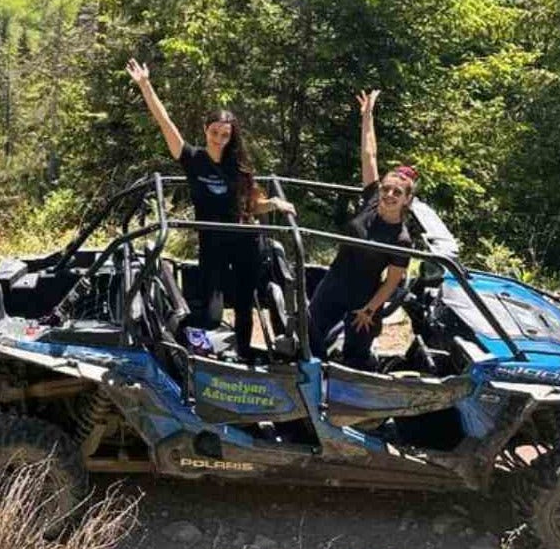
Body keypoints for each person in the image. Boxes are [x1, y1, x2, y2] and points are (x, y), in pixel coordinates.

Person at [126, 59, 294, 360]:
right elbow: (166, 124)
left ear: (231, 137)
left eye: (225, 135)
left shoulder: (238, 165)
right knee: (211, 307)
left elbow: (250, 204)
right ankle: (188, 347)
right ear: (206, 130)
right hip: (212, 241)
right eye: (215, 132)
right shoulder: (193, 158)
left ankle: (244, 355)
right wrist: (145, 86)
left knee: (245, 305)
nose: (219, 139)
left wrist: (275, 204)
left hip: (244, 241)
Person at [307, 90, 416, 370]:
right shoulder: (370, 201)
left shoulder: (401, 239)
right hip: (335, 281)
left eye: (397, 192)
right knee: (310, 332)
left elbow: (392, 281)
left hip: (365, 296)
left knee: (356, 352)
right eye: (386, 189)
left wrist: (370, 309)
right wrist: (367, 115)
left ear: (406, 199)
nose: (389, 194)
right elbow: (369, 155)